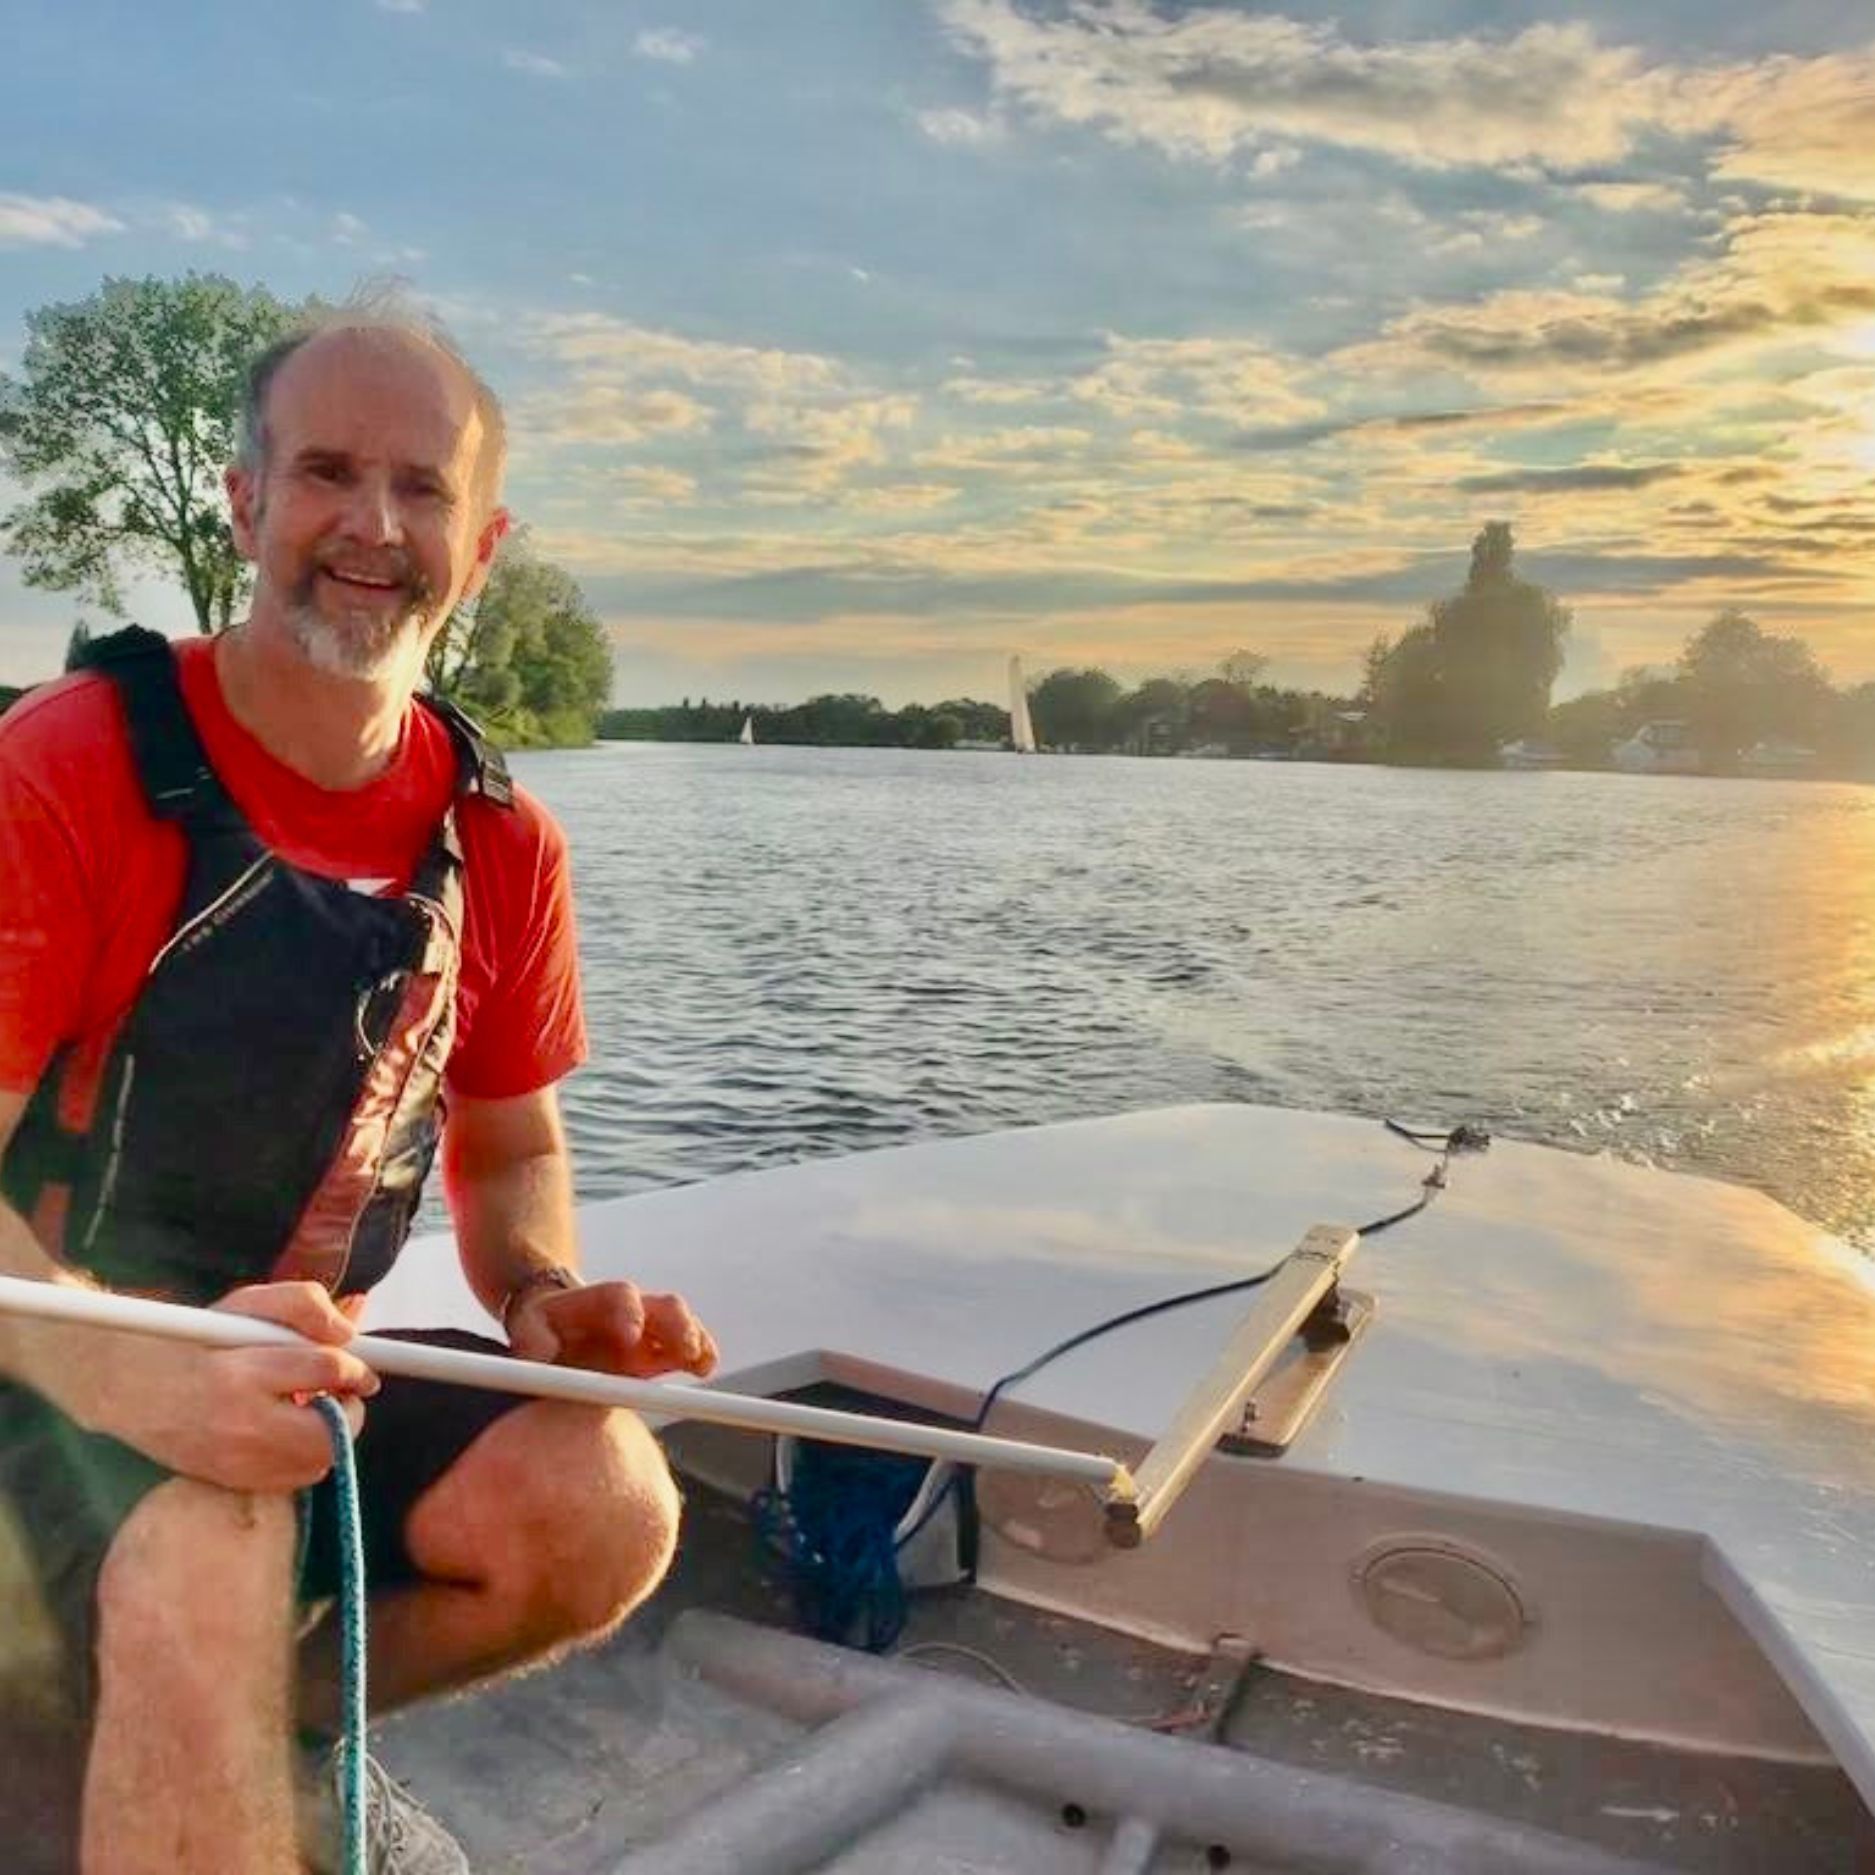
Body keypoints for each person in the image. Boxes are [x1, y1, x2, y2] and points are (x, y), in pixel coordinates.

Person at [0, 300, 718, 1875]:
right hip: (43, 1357)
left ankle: (238, 1748)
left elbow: (512, 1136)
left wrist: (540, 1296)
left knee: (603, 1504)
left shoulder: (500, 843)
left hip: (285, 1365)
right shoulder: (66, 769)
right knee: (212, 1538)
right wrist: (143, 1385)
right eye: (327, 473)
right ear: (247, 503)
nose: (375, 528)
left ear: (485, 536)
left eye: (424, 488)